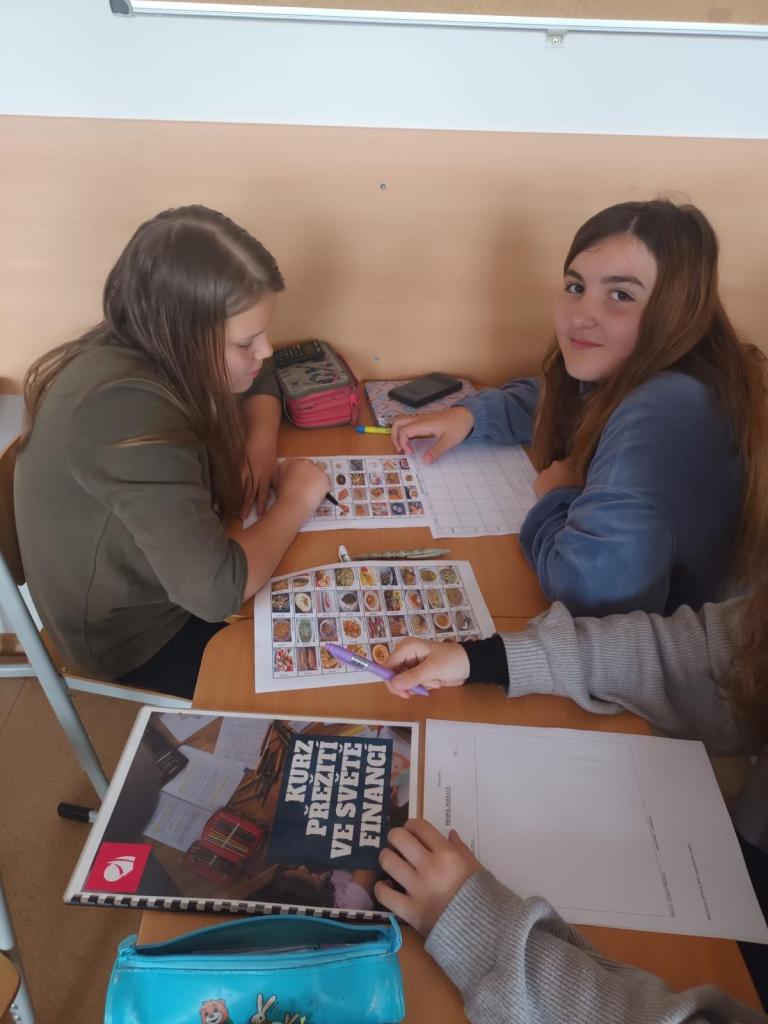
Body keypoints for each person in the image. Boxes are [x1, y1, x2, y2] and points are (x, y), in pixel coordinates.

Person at [391, 200, 768, 616]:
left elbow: (591, 593)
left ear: (677, 313)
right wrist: (470, 416)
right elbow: (563, 397)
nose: (580, 317)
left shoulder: (665, 407)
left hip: (671, 654)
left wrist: (558, 498)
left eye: (621, 294)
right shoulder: (673, 368)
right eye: (576, 287)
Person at [14, 205, 330, 697]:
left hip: (173, 576)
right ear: (183, 335)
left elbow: (262, 374)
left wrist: (260, 446)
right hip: (139, 640)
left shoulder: (148, 338)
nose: (266, 350)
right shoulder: (126, 416)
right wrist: (298, 500)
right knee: (323, 667)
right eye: (247, 341)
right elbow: (217, 591)